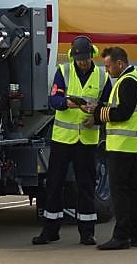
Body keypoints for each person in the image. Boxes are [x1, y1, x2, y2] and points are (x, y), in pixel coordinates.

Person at [32, 35, 104, 246]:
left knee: (86, 186)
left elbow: (108, 105)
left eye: (85, 58)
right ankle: (50, 230)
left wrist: (96, 117)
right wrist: (68, 103)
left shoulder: (101, 77)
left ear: (92, 55)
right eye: (79, 58)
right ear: (73, 56)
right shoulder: (64, 71)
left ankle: (87, 232)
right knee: (54, 184)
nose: (82, 62)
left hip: (87, 141)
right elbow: (54, 100)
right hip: (63, 140)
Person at [92, 45, 137, 250]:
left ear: (120, 63)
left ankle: (121, 236)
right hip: (130, 147)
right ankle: (136, 235)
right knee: (133, 192)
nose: (107, 70)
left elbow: (123, 113)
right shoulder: (131, 79)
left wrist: (98, 113)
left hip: (122, 147)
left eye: (108, 66)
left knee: (120, 193)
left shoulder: (128, 82)